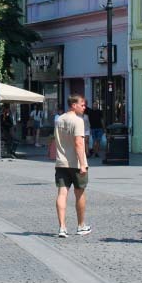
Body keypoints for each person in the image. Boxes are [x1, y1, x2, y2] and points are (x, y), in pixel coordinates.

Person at [53, 94, 91, 238]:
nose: (84, 107)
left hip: (61, 162)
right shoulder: (78, 121)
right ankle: (81, 225)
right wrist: (83, 164)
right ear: (73, 105)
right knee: (79, 193)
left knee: (62, 193)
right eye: (82, 105)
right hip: (75, 164)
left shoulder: (59, 119)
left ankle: (62, 227)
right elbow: (79, 143)